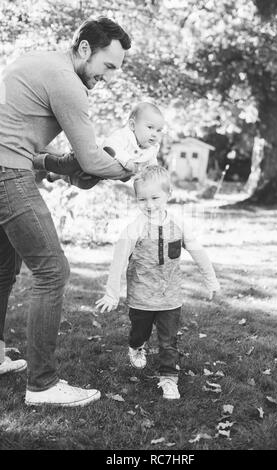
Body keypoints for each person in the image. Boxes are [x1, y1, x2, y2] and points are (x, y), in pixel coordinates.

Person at [0, 17, 133, 407]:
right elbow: (91, 159)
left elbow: (19, 142)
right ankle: (42, 385)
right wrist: (133, 169)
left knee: (3, 270)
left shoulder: (38, 62)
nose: (109, 77)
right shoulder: (68, 83)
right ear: (86, 49)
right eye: (108, 66)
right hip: (7, 175)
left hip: (8, 166)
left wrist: (57, 165)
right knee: (52, 271)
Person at [95, 166, 220, 400]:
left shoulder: (179, 224)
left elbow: (197, 251)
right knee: (139, 333)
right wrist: (112, 294)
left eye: (155, 198)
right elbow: (119, 261)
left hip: (170, 298)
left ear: (168, 194)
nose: (149, 205)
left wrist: (210, 279)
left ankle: (169, 379)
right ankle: (135, 346)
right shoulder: (134, 229)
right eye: (142, 199)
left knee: (168, 341)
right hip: (141, 298)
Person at [44, 101, 164, 189]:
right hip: (94, 160)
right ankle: (42, 159)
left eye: (159, 130)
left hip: (102, 174)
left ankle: (59, 176)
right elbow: (110, 144)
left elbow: (152, 165)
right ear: (132, 125)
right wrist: (126, 160)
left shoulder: (152, 148)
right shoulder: (125, 136)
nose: (155, 134)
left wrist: (154, 178)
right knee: (70, 164)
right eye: (150, 128)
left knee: (84, 183)